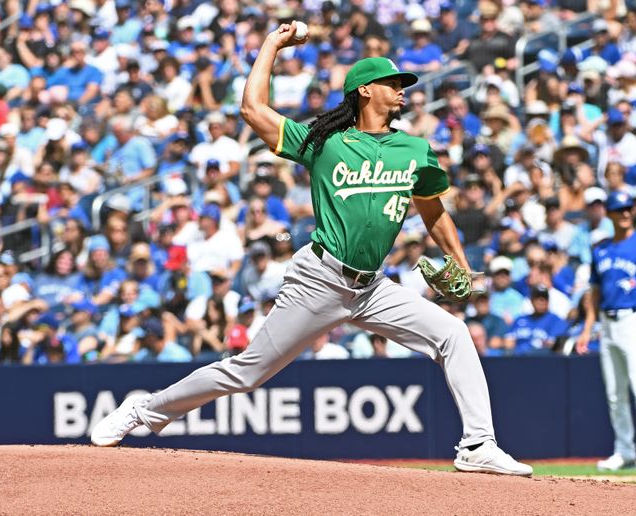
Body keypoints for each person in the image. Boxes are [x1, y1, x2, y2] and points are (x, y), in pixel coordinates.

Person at [91, 23, 532, 477]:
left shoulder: (413, 149)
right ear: (364, 91)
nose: (402, 90)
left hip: (373, 287)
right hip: (320, 280)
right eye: (393, 82)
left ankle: (478, 443)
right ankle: (144, 411)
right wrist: (272, 45)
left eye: (403, 84)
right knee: (245, 374)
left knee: (453, 334)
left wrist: (459, 260)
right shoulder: (326, 143)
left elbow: (432, 210)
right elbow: (252, 108)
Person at [576, 192, 636, 472]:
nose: (626, 213)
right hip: (608, 321)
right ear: (610, 214)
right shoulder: (601, 248)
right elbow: (594, 291)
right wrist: (588, 328)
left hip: (635, 319)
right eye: (620, 209)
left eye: (629, 209)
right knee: (615, 393)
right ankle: (624, 450)